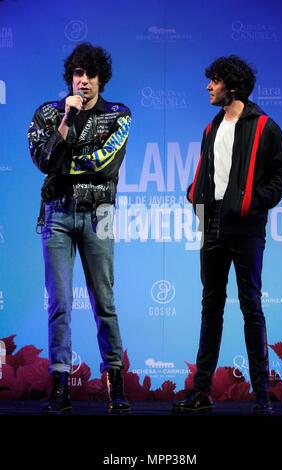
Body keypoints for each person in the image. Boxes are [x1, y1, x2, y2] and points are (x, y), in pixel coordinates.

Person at [173, 55, 282, 415]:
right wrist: (195, 192)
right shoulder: (211, 128)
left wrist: (254, 202)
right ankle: (201, 393)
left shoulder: (263, 126)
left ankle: (261, 394)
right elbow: (209, 173)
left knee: (251, 307)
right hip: (212, 226)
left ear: (232, 86)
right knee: (210, 307)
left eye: (214, 81)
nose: (208, 87)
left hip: (246, 229)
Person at [28, 43, 131, 414]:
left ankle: (115, 383)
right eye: (77, 75)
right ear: (70, 79)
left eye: (89, 75)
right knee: (59, 303)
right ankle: (60, 385)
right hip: (56, 214)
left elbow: (104, 165)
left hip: (98, 214)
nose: (83, 81)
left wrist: (63, 166)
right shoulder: (47, 114)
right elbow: (44, 160)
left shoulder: (119, 115)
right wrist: (64, 124)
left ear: (101, 79)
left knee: (104, 301)